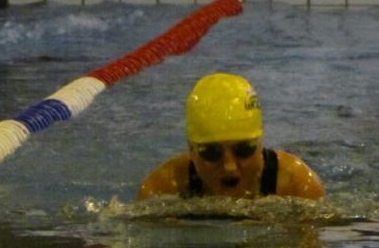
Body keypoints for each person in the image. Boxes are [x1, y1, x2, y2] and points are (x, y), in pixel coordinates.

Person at [138, 73, 325, 201]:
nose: (229, 166)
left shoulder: (298, 187)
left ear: (261, 143)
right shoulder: (161, 190)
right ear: (191, 150)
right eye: (211, 152)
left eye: (244, 149)